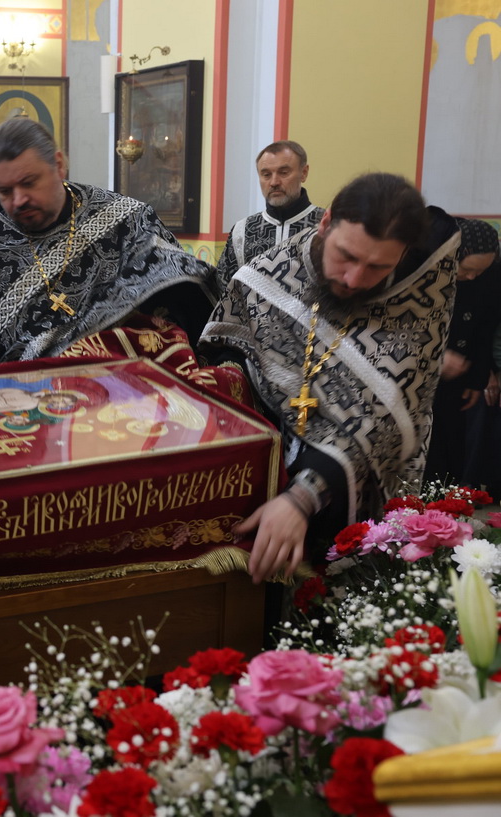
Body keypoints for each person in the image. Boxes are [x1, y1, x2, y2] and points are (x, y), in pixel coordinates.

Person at [199, 172, 460, 584]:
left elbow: (387, 418)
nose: (354, 279)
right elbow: (228, 350)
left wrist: (300, 499)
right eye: (346, 256)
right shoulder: (267, 273)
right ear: (326, 224)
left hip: (349, 490)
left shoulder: (417, 299)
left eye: (377, 267)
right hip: (258, 472)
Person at [0, 116, 215, 365]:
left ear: (59, 165)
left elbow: (183, 291)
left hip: (118, 386)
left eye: (29, 183)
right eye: (5, 191)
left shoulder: (126, 220)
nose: (18, 199)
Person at [424, 219, 501, 484]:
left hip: (457, 381)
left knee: (452, 451)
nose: (472, 277)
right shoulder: (425, 269)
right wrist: (436, 354)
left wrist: (476, 379)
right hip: (418, 378)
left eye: (480, 272)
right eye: (467, 269)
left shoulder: (490, 276)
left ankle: (445, 512)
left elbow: (486, 327)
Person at [215, 141, 324, 296]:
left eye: (284, 173)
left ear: (304, 173)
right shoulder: (242, 231)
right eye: (266, 175)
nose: (274, 182)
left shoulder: (327, 226)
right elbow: (225, 292)